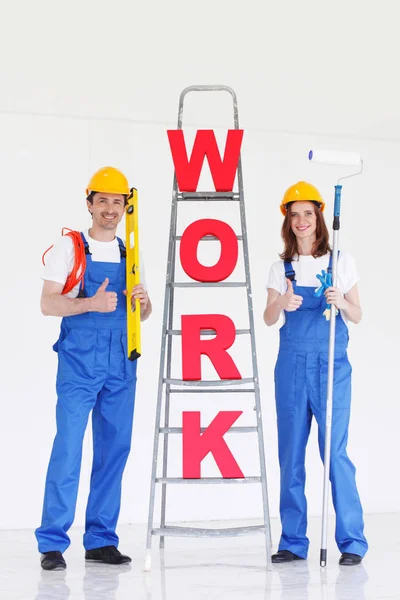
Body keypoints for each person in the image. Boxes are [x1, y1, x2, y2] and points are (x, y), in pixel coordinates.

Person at [35, 166, 152, 571]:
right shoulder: (69, 247)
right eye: (101, 200)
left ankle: (101, 540)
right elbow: (48, 303)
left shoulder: (129, 252)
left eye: (116, 202)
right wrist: (89, 304)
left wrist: (144, 302)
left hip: (122, 362)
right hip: (80, 361)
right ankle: (52, 541)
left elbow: (143, 312)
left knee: (114, 450)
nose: (109, 209)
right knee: (69, 447)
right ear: (89, 204)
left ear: (124, 207)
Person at [263, 181, 368, 566]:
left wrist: (341, 301)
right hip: (290, 367)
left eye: (308, 213)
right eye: (295, 214)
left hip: (331, 367)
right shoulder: (281, 268)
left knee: (334, 454)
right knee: (291, 455)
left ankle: (352, 541)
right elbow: (268, 317)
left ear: (319, 217)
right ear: (287, 221)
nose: (302, 220)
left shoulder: (340, 261)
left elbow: (357, 315)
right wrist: (283, 303)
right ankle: (293, 541)